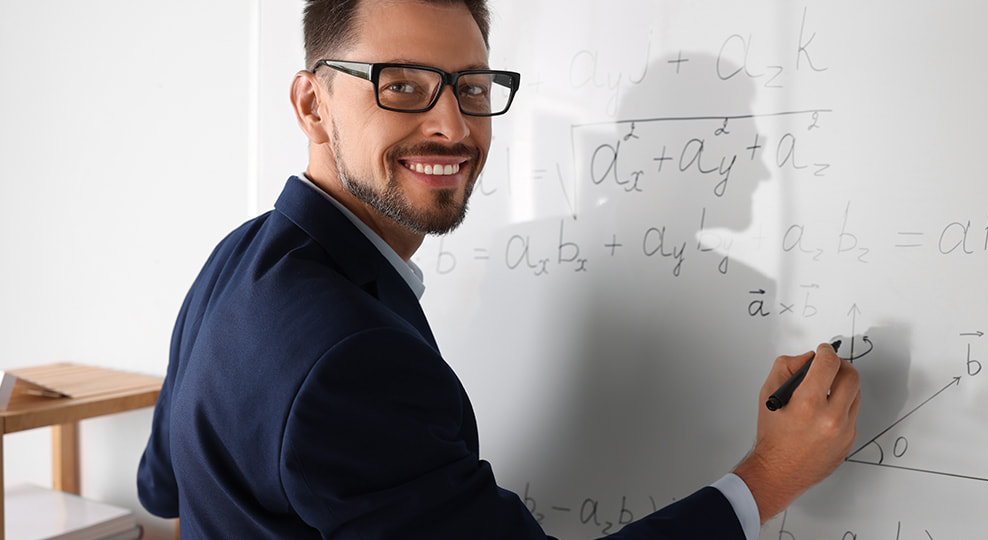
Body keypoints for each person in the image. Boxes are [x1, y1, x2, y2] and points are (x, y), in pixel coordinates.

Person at [137, 0, 861, 538]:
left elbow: (162, 487)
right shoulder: (352, 355)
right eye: (404, 85)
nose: (453, 126)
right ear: (311, 104)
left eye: (473, 88)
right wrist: (768, 478)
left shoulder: (239, 255)